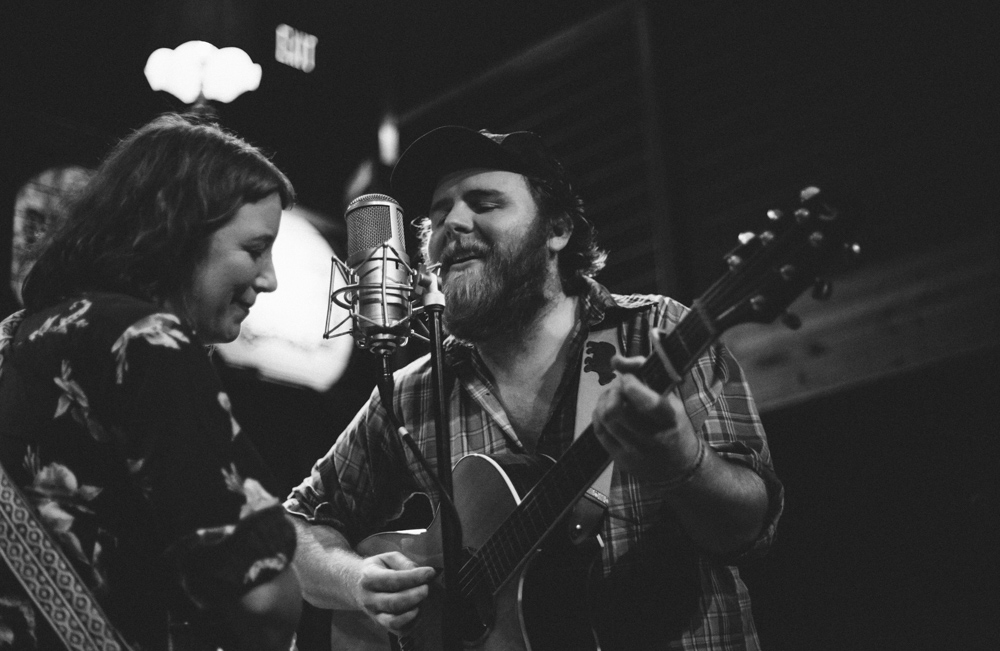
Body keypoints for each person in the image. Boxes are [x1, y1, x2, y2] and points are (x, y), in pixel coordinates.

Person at [285, 126, 784, 650]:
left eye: (484, 203)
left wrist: (686, 463)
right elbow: (294, 530)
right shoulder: (411, 394)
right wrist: (358, 582)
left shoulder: (658, 333)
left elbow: (752, 534)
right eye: (437, 216)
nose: (450, 225)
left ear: (558, 230)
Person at [0, 113, 302, 650]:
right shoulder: (148, 340)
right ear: (179, 234)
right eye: (255, 249)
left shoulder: (21, 336)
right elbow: (264, 604)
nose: (270, 278)